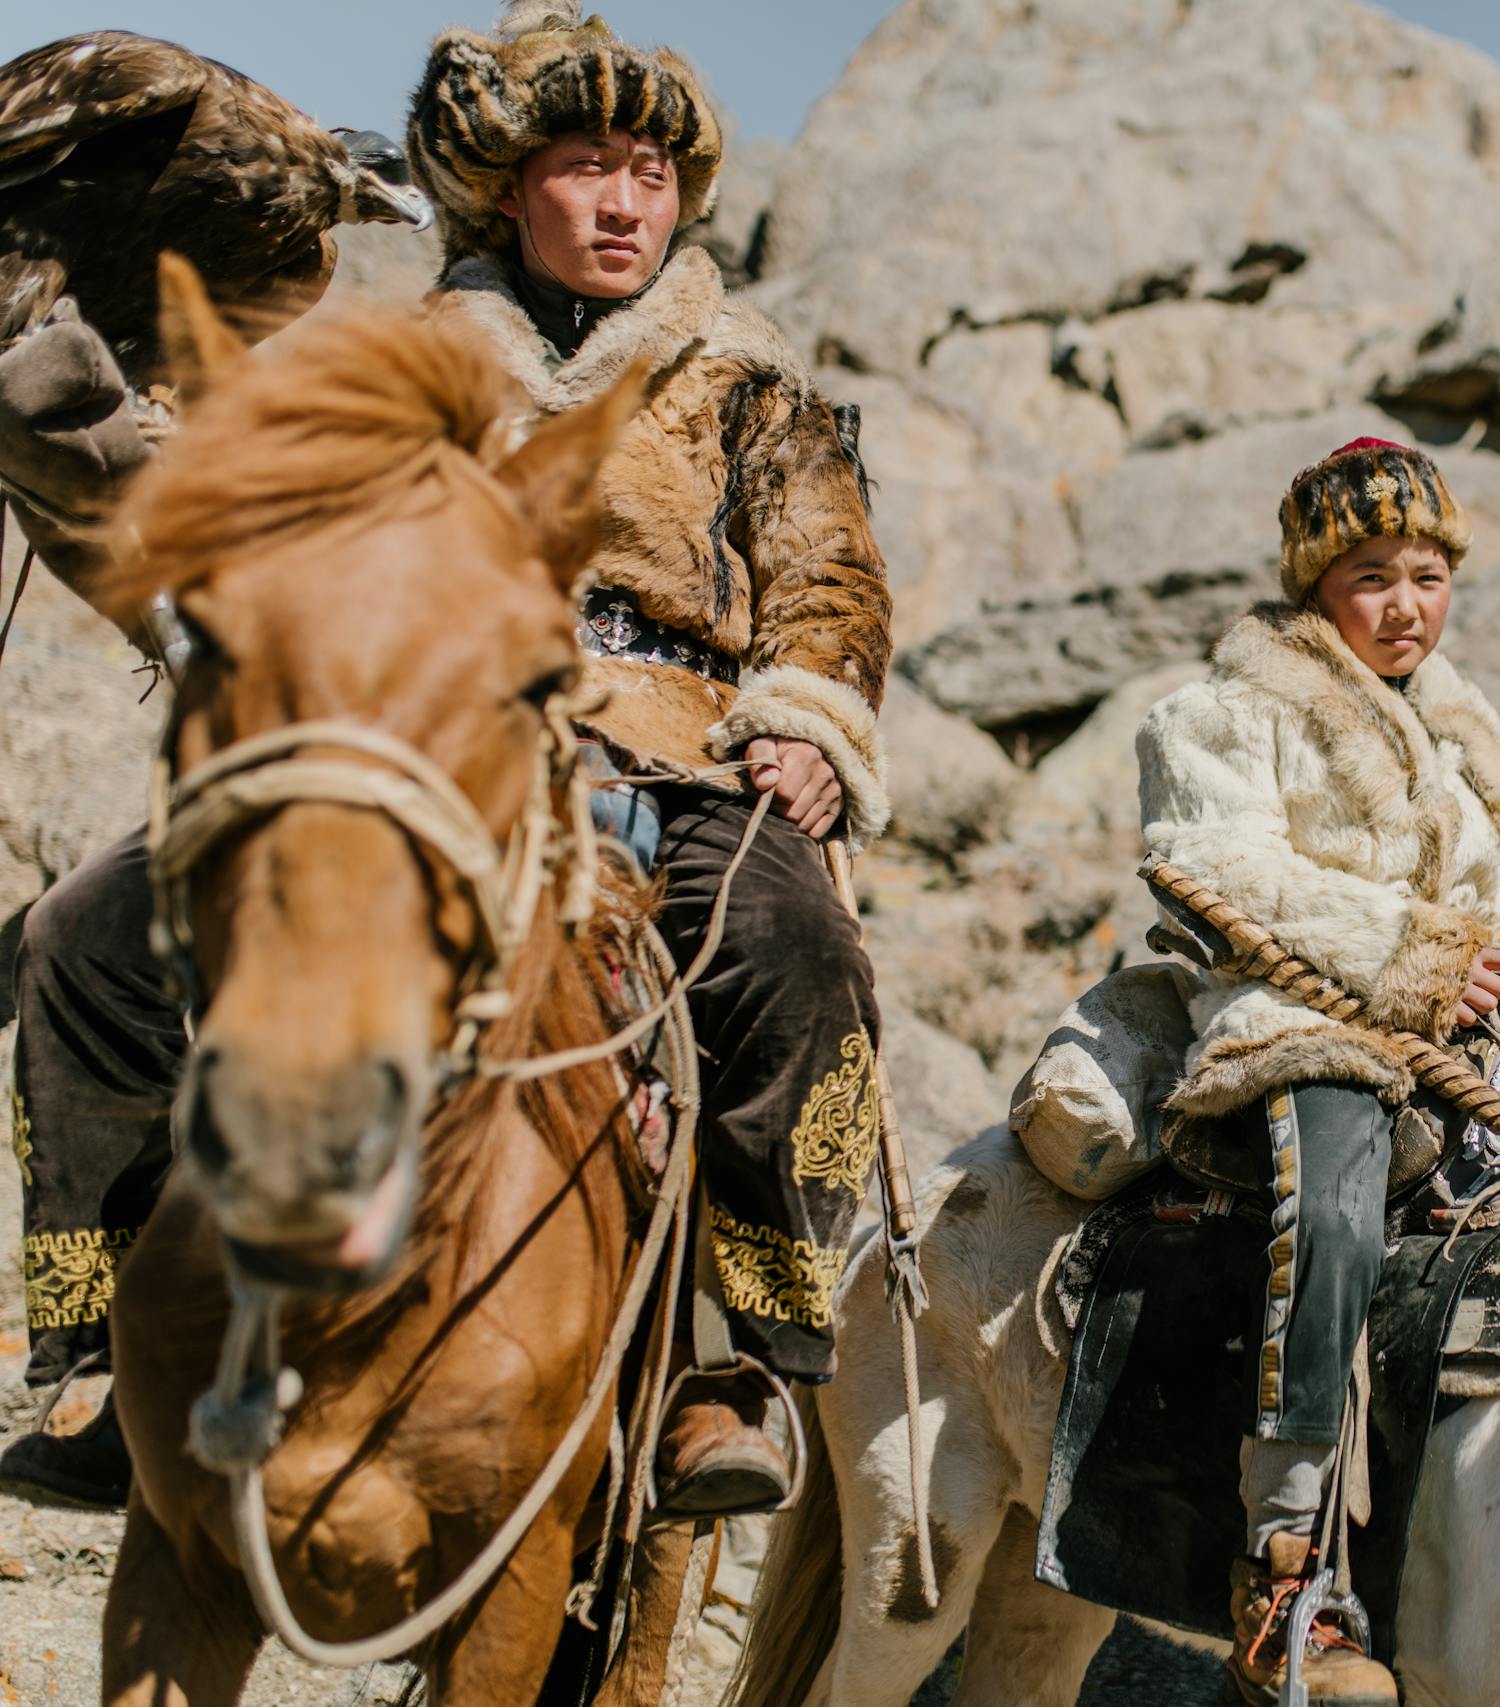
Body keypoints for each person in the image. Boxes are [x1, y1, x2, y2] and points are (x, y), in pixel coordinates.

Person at [4, 1, 895, 1521]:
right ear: (505, 191)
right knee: (85, 941)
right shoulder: (392, 363)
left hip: (681, 756)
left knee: (792, 946)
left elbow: (831, 581)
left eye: (650, 172)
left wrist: (805, 724)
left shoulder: (756, 385)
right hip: (422, 727)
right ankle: (95, 1344)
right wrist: (78, 426)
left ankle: (739, 1357)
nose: (624, 201)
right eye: (586, 166)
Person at [1137, 437, 1500, 1706]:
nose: (1406, 604)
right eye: (1370, 575)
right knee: (1340, 1189)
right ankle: (1287, 1559)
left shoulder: (1458, 728)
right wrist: (1408, 955)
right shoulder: (1223, 713)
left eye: (1427, 573)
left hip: (1463, 1036)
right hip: (1297, 1024)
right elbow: (1221, 868)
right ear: (1315, 584)